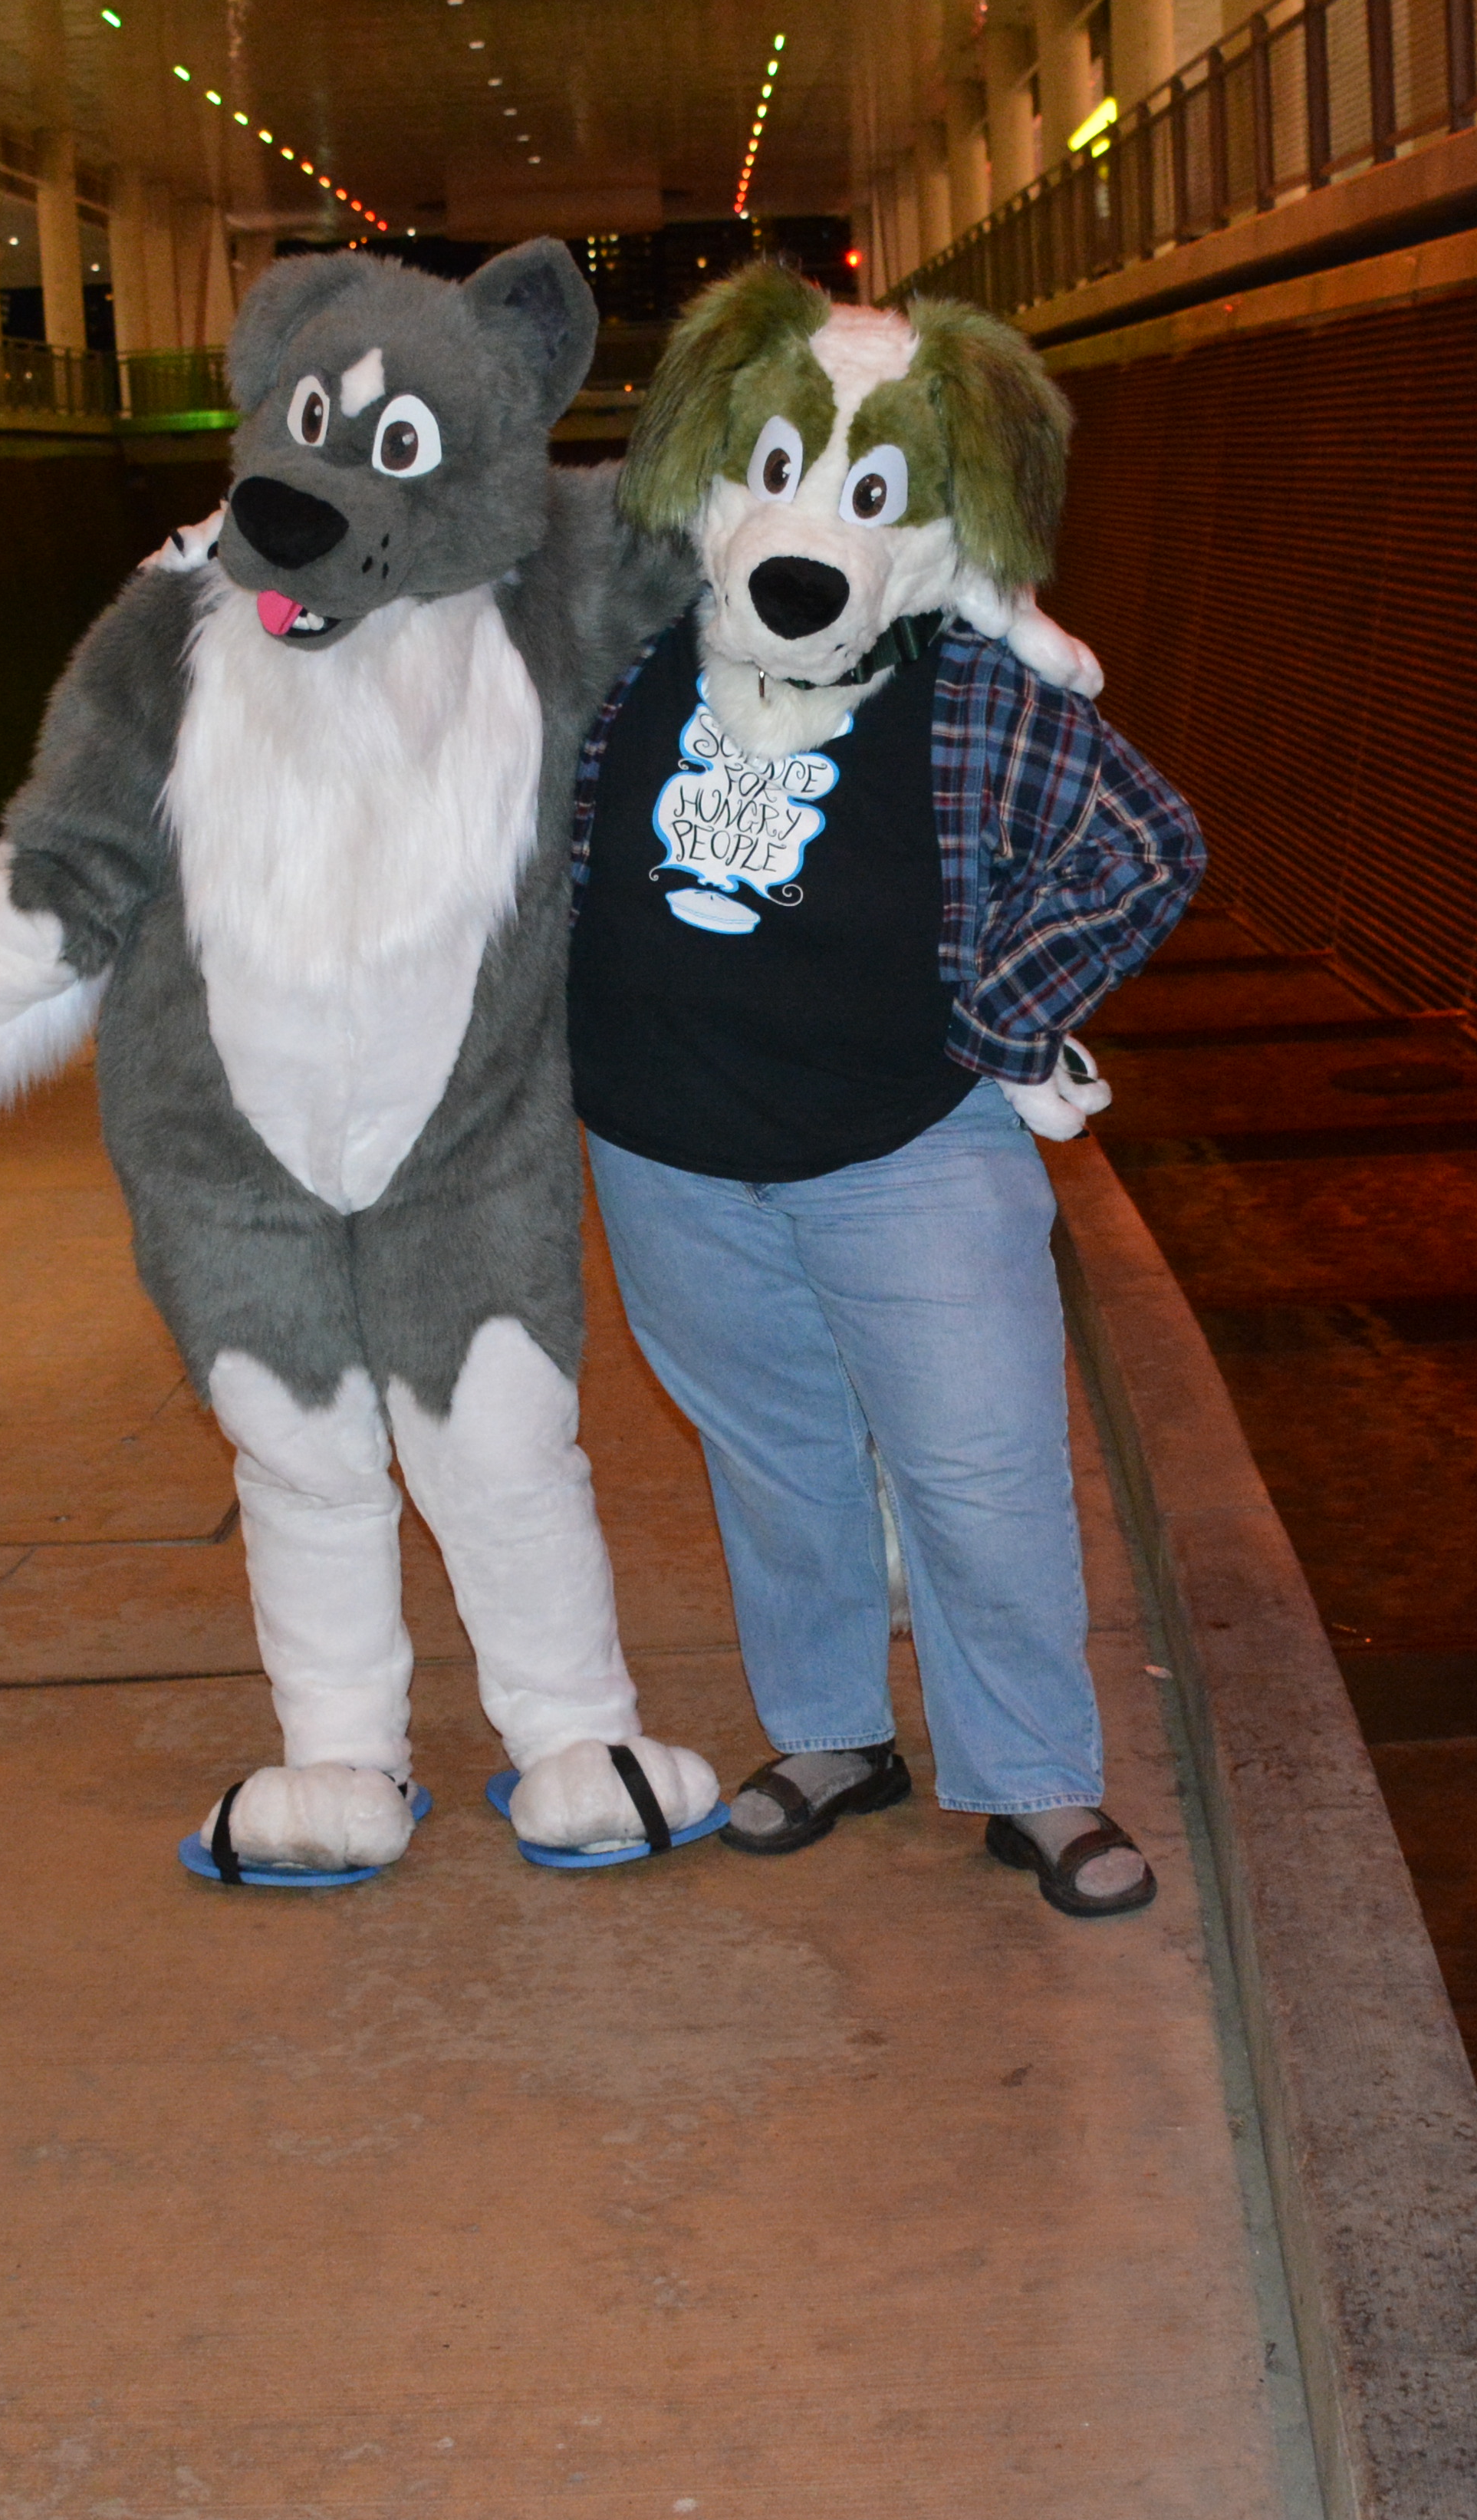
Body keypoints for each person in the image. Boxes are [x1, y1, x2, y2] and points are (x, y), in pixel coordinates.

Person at [571, 266, 1204, 1919]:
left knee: (980, 1467)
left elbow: (1147, 846)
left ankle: (1037, 1779)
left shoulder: (971, 685)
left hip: (908, 1146)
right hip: (665, 1148)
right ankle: (832, 1734)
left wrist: (1000, 1019)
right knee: (773, 1458)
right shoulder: (635, 659)